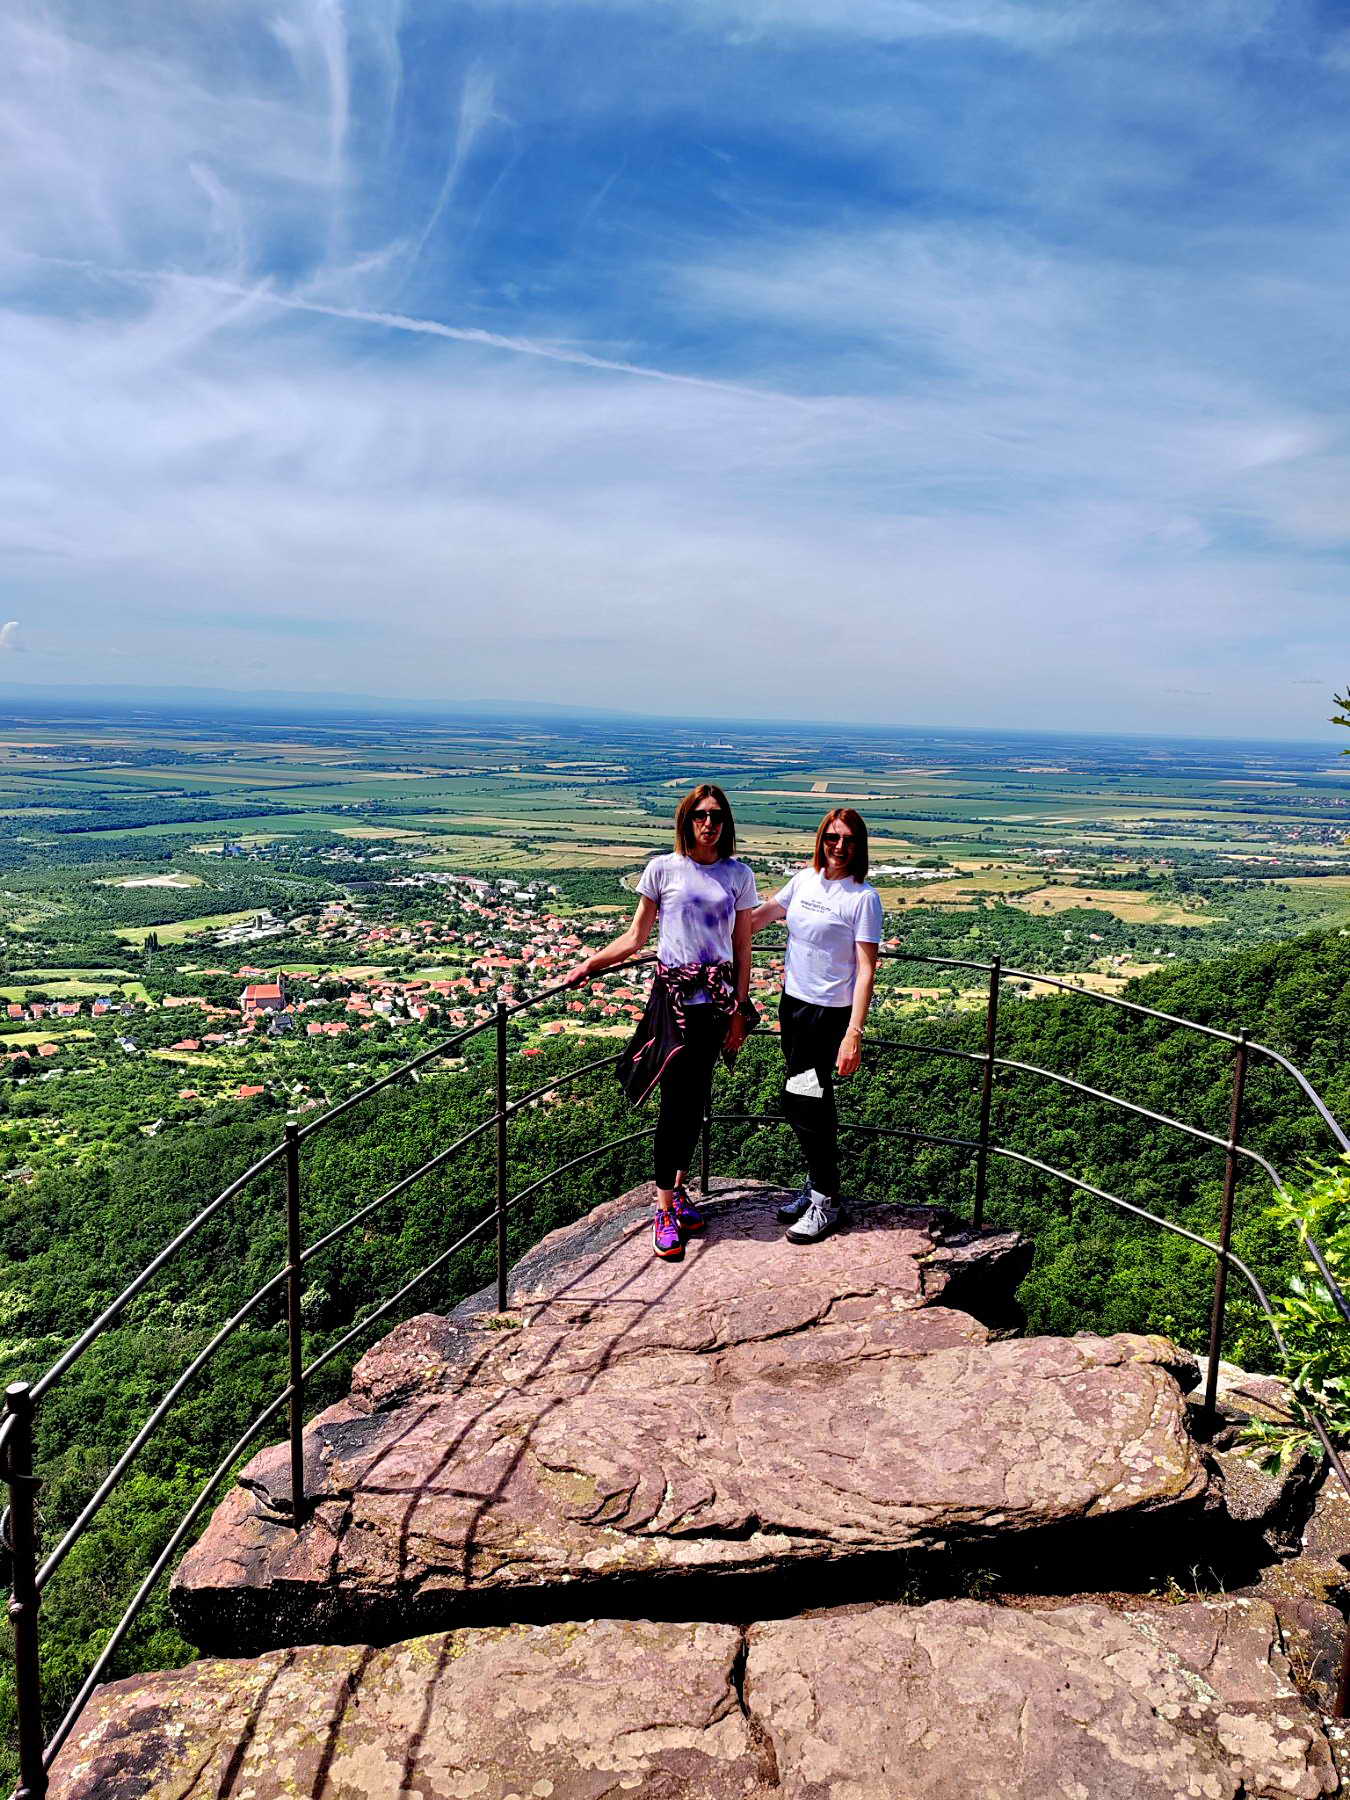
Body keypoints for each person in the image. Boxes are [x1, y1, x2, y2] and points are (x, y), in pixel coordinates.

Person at [564, 783, 757, 1259]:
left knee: (695, 1103)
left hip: (713, 1004)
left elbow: (742, 947)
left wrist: (739, 1009)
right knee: (673, 1105)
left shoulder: (738, 875)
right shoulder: (662, 869)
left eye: (716, 815)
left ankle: (679, 1189)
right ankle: (664, 1207)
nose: (708, 823)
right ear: (685, 820)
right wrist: (591, 964)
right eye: (699, 815)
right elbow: (636, 936)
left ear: (726, 823)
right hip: (672, 1001)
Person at [751, 807, 882, 1243]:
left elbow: (866, 970)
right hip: (794, 1005)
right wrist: (701, 922)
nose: (839, 846)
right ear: (821, 839)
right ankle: (818, 1188)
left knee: (803, 1099)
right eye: (832, 837)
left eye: (848, 839)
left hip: (829, 1014)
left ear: (860, 846)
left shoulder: (862, 897)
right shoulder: (805, 880)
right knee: (810, 1097)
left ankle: (826, 1200)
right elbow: (760, 918)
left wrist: (853, 1033)